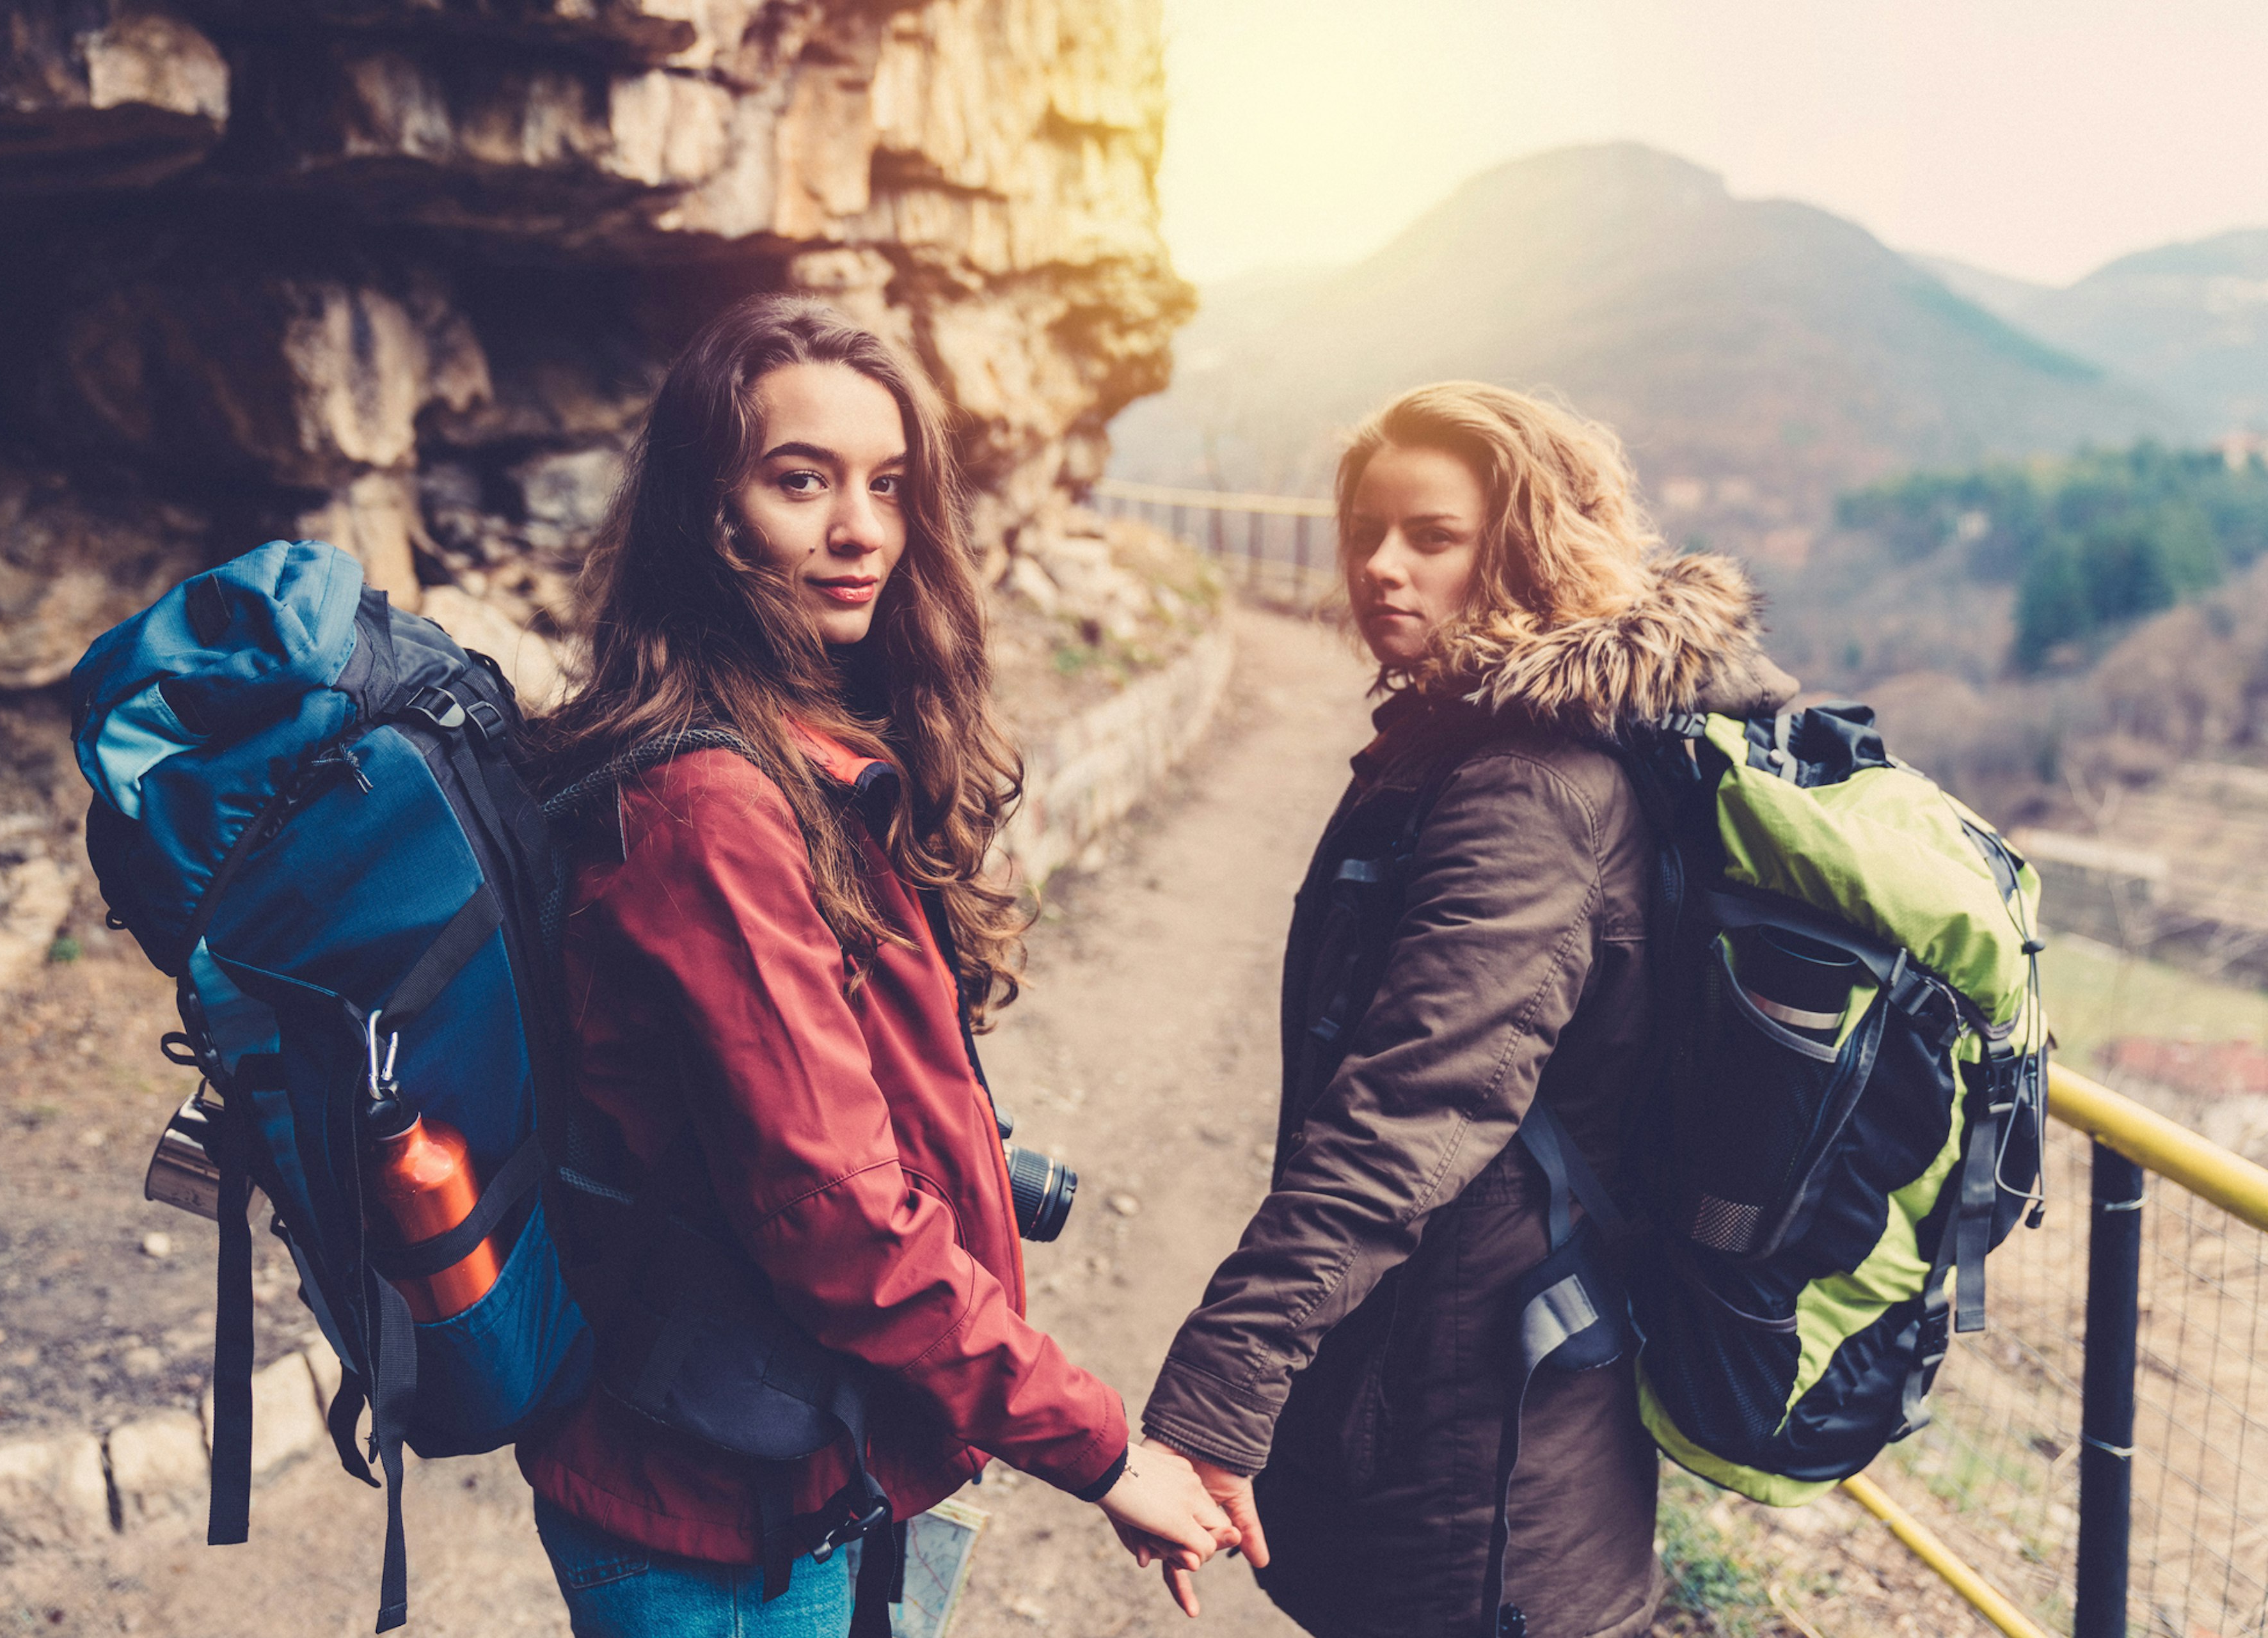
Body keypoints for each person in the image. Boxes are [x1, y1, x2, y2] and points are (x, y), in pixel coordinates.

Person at [518, 294, 1237, 1638]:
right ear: (710, 511)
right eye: (803, 482)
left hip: (802, 1458)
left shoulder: (803, 746)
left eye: (889, 487)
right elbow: (836, 1216)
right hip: (727, 1524)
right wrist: (1103, 1451)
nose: (860, 530)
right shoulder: (713, 812)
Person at [1132, 382, 1800, 1637]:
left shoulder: (1529, 785)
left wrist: (1215, 1401)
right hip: (1466, 1383)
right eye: (1366, 530)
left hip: (1489, 1438)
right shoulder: (1459, 737)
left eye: (1431, 536)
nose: (1383, 566)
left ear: (1524, 545)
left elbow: (1409, 1111)